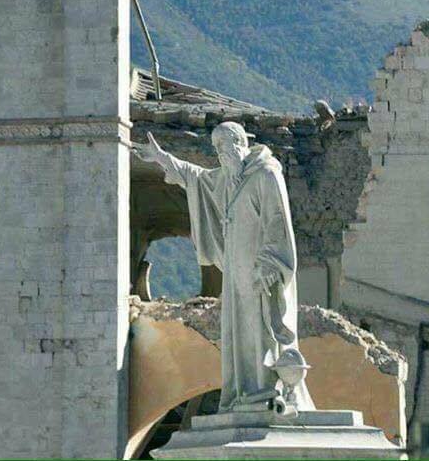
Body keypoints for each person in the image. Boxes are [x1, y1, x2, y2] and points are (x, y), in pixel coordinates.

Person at [132, 121, 313, 413]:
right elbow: (196, 178)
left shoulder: (265, 175)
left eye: (223, 146)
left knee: (261, 330)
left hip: (260, 272)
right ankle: (242, 393)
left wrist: (270, 263)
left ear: (240, 143)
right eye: (215, 148)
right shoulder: (229, 180)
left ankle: (267, 390)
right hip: (235, 274)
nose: (219, 154)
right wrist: (162, 158)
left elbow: (277, 221)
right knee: (238, 333)